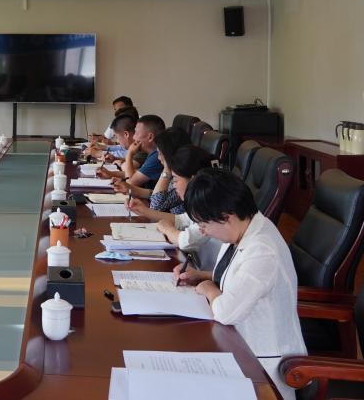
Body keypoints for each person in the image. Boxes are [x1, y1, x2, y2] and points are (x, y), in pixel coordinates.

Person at [174, 169, 306, 400]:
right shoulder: (243, 230)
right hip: (237, 344)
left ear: (227, 216)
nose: (202, 231)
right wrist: (201, 276)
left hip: (263, 369)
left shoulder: (262, 249)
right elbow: (241, 277)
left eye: (204, 224)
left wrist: (209, 289)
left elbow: (227, 312)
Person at [107, 114, 166, 198]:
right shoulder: (153, 153)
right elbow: (136, 174)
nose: (134, 137)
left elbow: (130, 183)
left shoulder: (157, 157)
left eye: (137, 133)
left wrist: (129, 154)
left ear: (150, 137)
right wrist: (110, 174)